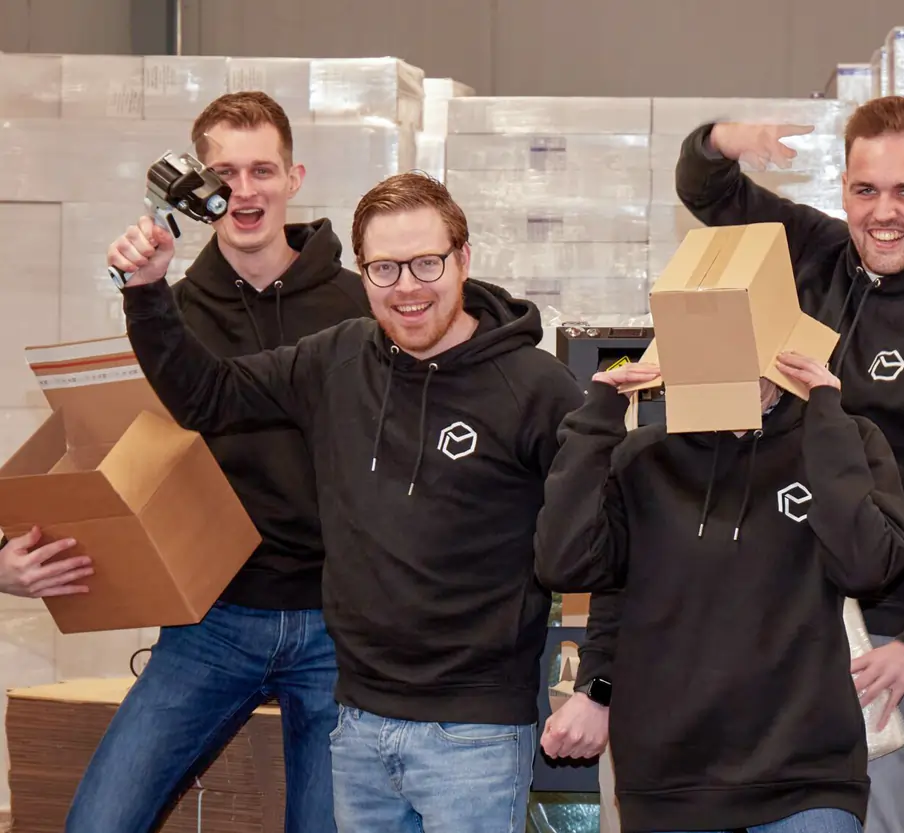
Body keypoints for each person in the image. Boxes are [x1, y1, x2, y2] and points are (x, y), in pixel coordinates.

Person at [546, 94, 904, 833]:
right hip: (773, 618)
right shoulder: (821, 256)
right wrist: (722, 138)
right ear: (842, 189)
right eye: (865, 190)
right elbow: (709, 189)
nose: (884, 213)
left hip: (880, 635)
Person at [108, 170, 585, 832]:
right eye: (385, 268)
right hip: (357, 723)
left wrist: (600, 688)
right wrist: (147, 293)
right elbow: (207, 396)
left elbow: (612, 537)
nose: (408, 287)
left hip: (472, 735)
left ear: (464, 258)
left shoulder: (536, 390)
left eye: (426, 262)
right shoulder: (338, 359)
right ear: (362, 273)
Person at [61, 91, 370, 833]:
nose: (245, 188)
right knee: (99, 822)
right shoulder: (167, 309)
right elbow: (116, 451)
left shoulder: (359, 305)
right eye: (224, 171)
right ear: (196, 183)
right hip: (215, 620)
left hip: (339, 620)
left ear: (295, 176)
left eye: (262, 168)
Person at [535, 351, 904, 833]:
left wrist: (825, 415)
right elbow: (568, 566)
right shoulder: (643, 458)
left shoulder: (843, 441)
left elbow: (867, 566)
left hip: (805, 775)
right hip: (669, 780)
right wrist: (598, 417)